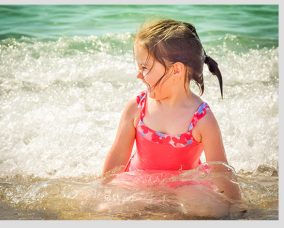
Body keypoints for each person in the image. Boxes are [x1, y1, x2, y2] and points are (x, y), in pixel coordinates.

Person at [102, 19, 241, 201]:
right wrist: (103, 190)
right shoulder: (137, 108)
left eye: (144, 67)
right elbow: (118, 157)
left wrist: (237, 206)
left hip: (183, 189)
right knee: (111, 206)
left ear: (176, 70)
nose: (138, 74)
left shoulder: (202, 118)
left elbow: (220, 170)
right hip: (139, 185)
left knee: (202, 205)